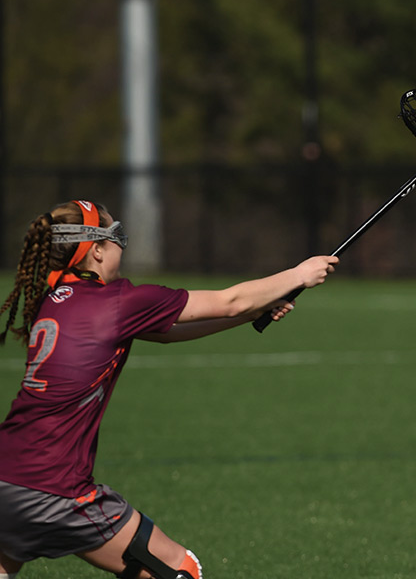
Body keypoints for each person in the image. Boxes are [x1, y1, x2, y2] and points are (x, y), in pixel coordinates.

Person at [0, 200, 338, 579]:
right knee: (181, 570)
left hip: (5, 476)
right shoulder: (116, 302)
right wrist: (299, 274)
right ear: (95, 250)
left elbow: (170, 332)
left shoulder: (55, 302)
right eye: (116, 238)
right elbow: (229, 300)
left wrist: (250, 315)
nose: (122, 247)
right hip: (55, 486)